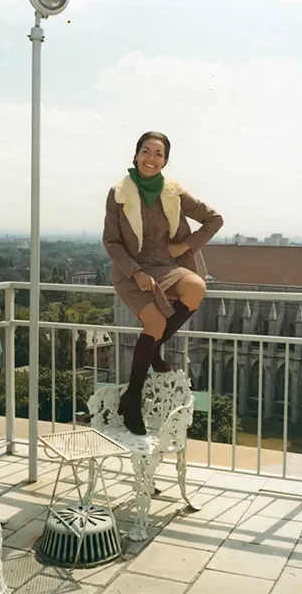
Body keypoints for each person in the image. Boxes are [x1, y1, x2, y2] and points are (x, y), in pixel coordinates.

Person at [102, 132, 223, 435]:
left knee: (196, 287)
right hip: (132, 270)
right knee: (154, 320)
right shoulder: (118, 194)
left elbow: (214, 219)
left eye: (158, 154)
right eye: (146, 151)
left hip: (167, 266)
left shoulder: (175, 193)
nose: (151, 159)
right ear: (136, 155)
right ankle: (133, 398)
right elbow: (112, 242)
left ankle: (153, 353)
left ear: (165, 160)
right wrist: (137, 272)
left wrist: (184, 247)